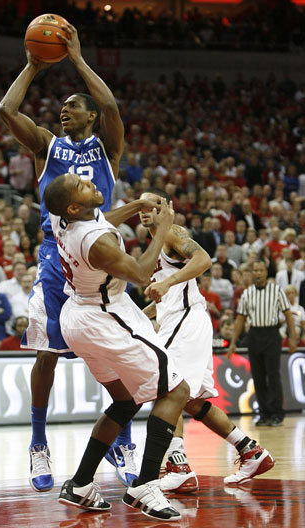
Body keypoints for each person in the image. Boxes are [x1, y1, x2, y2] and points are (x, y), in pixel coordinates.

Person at [0, 22, 132, 492]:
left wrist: (76, 58)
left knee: (113, 355)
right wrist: (33, 66)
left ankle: (124, 438)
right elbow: (6, 109)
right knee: (47, 356)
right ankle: (38, 442)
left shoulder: (107, 147)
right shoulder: (45, 147)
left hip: (103, 258)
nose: (64, 110)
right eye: (63, 106)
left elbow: (112, 105)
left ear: (92, 117)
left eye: (73, 106)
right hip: (57, 261)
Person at [44, 172, 189, 521]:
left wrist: (137, 205)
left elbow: (100, 220)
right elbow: (140, 274)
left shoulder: (63, 217)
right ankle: (146, 484)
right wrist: (165, 225)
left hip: (78, 313)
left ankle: (80, 484)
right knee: (176, 391)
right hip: (105, 315)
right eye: (81, 186)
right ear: (75, 206)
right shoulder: (96, 243)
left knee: (124, 402)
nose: (89, 182)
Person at [140, 189, 275, 491]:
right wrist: (142, 312)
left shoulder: (172, 233)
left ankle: (179, 466)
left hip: (186, 321)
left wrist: (167, 282)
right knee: (190, 400)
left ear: (168, 208)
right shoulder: (156, 242)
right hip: (184, 320)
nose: (145, 210)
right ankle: (250, 451)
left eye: (154, 204)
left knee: (167, 392)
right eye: (142, 205)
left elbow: (203, 259)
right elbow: (168, 294)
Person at [228, 260, 297, 427]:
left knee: (273, 375)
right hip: (254, 335)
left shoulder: (277, 291)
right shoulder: (247, 293)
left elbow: (288, 315)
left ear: (266, 272)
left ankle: (276, 413)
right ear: (252, 273)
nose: (258, 273)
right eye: (255, 270)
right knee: (258, 377)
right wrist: (232, 342)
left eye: (261, 270)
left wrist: (293, 337)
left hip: (271, 334)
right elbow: (240, 319)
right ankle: (264, 413)